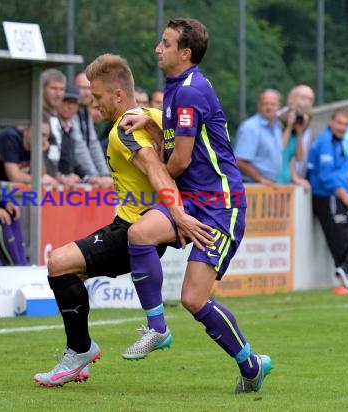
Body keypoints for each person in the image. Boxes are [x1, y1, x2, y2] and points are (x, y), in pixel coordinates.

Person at [33, 53, 209, 387]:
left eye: (97, 97)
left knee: (59, 263)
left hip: (135, 229)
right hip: (138, 225)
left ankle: (79, 351)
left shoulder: (123, 129)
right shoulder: (151, 116)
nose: (93, 104)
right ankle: (80, 351)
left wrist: (178, 214)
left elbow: (155, 170)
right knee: (68, 270)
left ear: (117, 95)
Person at [121, 18, 271, 394]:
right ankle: (157, 328)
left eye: (166, 43)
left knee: (193, 299)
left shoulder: (188, 92)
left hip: (220, 205)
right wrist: (154, 128)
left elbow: (180, 161)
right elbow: (176, 145)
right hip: (192, 198)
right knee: (139, 233)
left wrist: (158, 177)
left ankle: (251, 365)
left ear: (184, 53)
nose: (158, 47)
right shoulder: (175, 89)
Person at [308, 109, 348, 291]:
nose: (342, 127)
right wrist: (345, 196)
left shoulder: (341, 141)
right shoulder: (326, 141)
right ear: (331, 122)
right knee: (342, 238)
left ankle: (347, 270)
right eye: (339, 123)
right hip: (328, 196)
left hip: (341, 193)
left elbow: (345, 170)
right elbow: (326, 177)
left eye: (345, 124)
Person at [234, 89, 283, 186]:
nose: (269, 107)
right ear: (259, 106)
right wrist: (260, 179)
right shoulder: (251, 127)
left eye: (273, 104)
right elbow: (240, 161)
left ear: (278, 106)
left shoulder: (277, 127)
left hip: (268, 186)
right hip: (251, 185)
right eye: (265, 104)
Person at [73, 70, 113, 186]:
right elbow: (79, 146)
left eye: (88, 88)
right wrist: (94, 176)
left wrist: (104, 174)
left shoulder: (85, 111)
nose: (85, 93)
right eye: (81, 88)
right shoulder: (70, 111)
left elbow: (93, 145)